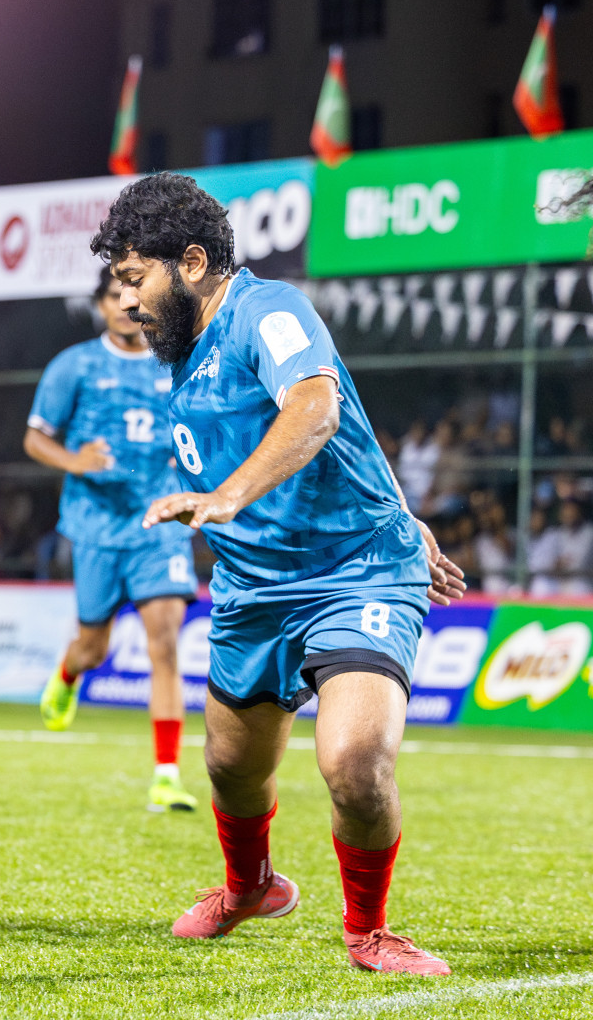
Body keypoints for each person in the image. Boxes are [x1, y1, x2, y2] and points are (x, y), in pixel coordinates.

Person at [92, 173, 466, 975]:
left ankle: (368, 932)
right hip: (253, 588)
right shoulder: (185, 352)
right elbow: (353, 430)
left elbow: (317, 407)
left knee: (354, 760)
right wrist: (404, 504)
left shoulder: (269, 310)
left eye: (136, 279)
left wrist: (228, 496)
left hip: (357, 574)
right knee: (230, 768)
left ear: (191, 261)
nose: (128, 302)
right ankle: (251, 886)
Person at [26, 272, 198, 813]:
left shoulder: (178, 360)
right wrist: (74, 461)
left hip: (160, 522)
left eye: (136, 296)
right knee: (93, 646)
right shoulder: (73, 365)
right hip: (96, 527)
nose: (127, 307)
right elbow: (35, 438)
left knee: (164, 642)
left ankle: (166, 774)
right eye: (115, 298)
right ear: (100, 306)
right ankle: (69, 672)